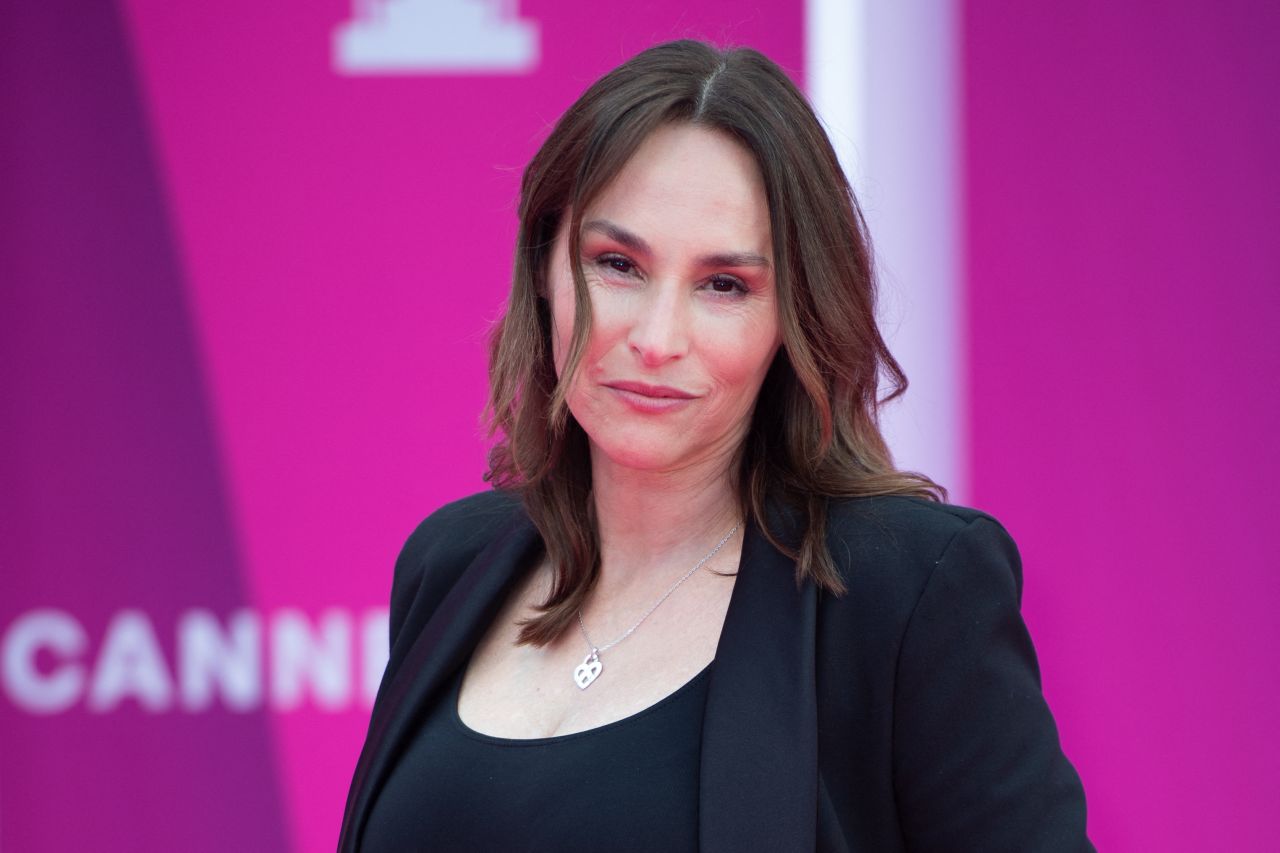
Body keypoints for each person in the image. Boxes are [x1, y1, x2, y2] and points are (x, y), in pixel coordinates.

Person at [339, 39, 1093, 852]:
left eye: (724, 285)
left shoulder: (906, 592)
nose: (658, 339)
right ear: (545, 269)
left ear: (792, 317)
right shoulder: (448, 564)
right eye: (618, 263)